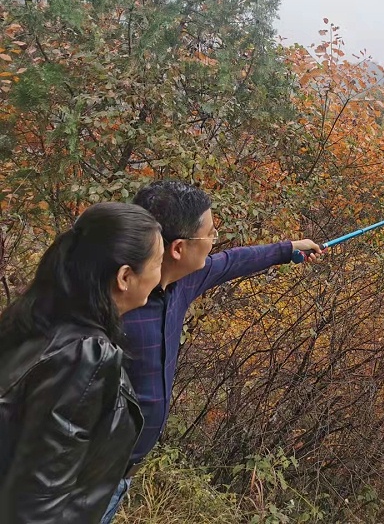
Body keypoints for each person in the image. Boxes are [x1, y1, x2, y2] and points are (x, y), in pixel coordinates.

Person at [101, 180, 321, 522]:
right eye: (210, 235)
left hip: (120, 474)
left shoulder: (180, 280)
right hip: (82, 476)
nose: (214, 242)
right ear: (177, 248)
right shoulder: (111, 302)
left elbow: (233, 261)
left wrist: (287, 249)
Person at [0, 202, 164, 524]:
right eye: (157, 264)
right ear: (125, 277)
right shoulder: (85, 357)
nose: (160, 278)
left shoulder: (39, 319)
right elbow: (36, 502)